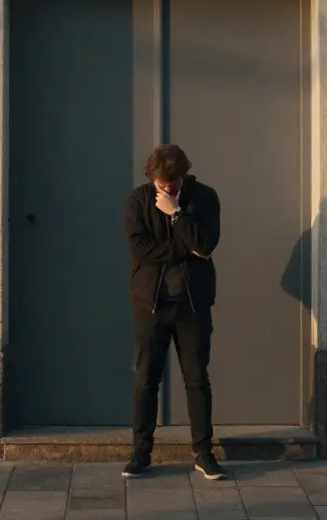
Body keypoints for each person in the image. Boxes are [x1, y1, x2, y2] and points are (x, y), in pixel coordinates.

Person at [122, 144, 226, 481]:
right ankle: (141, 452)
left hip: (192, 306)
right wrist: (188, 249)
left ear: (183, 174)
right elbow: (141, 248)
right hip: (150, 305)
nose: (167, 188)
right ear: (151, 178)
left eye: (173, 182)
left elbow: (207, 243)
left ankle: (203, 453)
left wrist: (176, 213)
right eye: (161, 183)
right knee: (146, 380)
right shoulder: (138, 200)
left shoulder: (205, 197)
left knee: (197, 380)